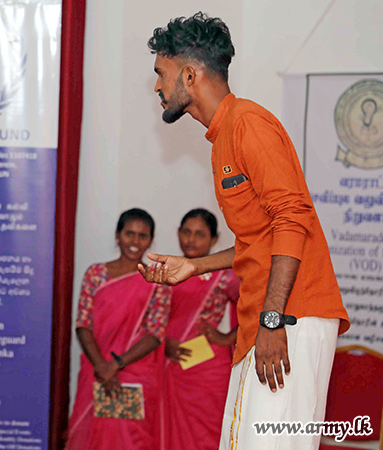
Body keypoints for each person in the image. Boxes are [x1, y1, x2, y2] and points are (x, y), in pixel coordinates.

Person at [142, 13, 350, 450]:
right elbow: (260, 239)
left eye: (161, 74)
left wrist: (274, 321)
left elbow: (293, 218)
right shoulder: (222, 139)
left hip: (290, 316)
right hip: (266, 320)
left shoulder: (248, 124)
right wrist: (194, 266)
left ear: (190, 74)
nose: (157, 87)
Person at [66, 208, 172, 450]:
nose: (135, 242)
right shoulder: (96, 274)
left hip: (133, 375)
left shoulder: (157, 281)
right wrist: (102, 367)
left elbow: (156, 333)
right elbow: (83, 324)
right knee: (90, 436)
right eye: (129, 234)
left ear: (150, 240)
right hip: (97, 372)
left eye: (142, 236)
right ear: (118, 235)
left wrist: (115, 365)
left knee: (128, 440)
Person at [159, 208, 239, 450]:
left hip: (207, 368)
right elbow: (149, 319)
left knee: (207, 433)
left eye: (200, 234)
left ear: (214, 240)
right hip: (168, 364)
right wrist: (163, 342)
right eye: (186, 232)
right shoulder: (165, 272)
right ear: (178, 233)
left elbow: (258, 309)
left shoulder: (224, 275)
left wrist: (226, 337)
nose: (191, 240)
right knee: (168, 431)